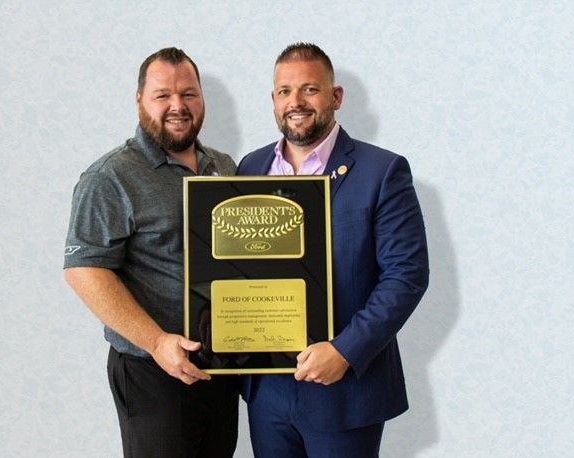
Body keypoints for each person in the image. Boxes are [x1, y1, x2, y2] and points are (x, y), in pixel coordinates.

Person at [237, 42, 430, 457]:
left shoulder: (382, 171)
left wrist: (345, 350)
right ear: (273, 100)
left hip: (343, 387)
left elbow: (406, 275)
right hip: (266, 389)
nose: (296, 102)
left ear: (336, 97)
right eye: (285, 91)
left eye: (310, 89)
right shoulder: (249, 169)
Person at [63, 47, 239, 458]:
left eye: (189, 94)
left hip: (220, 369)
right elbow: (84, 270)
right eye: (163, 95)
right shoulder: (110, 177)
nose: (178, 106)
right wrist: (157, 342)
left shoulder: (225, 167)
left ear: (202, 101)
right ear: (140, 100)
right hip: (152, 372)